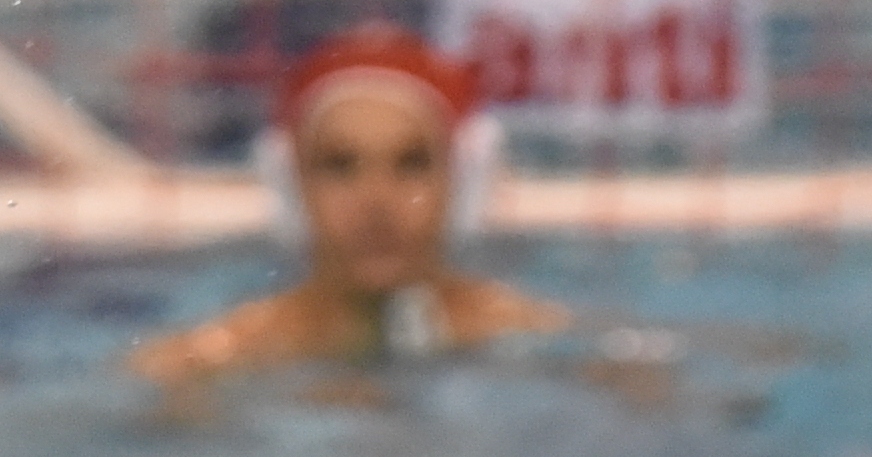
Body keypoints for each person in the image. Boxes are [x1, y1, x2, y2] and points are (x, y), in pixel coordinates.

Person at [126, 26, 565, 388]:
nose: (377, 201)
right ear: (295, 185)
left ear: (460, 182)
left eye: (411, 164)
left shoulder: (544, 343)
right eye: (340, 166)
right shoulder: (194, 368)